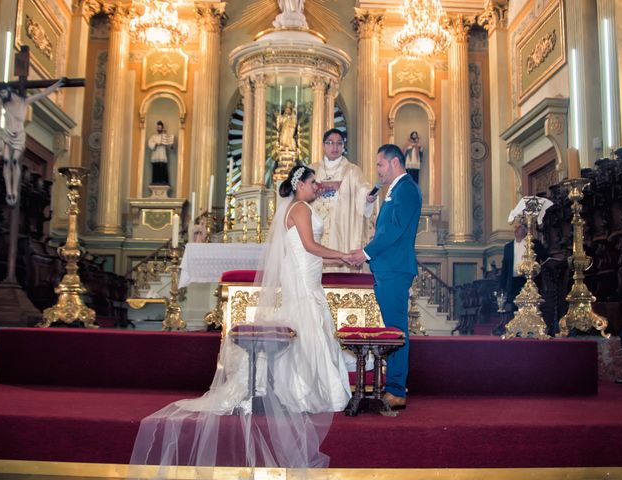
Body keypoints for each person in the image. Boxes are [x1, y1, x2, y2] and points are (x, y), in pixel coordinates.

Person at [130, 165, 352, 471]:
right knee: (307, 323)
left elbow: (310, 248)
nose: (316, 187)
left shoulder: (299, 205)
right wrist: (343, 255)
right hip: (303, 275)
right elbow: (311, 246)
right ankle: (304, 391)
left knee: (309, 324)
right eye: (313, 182)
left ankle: (303, 387)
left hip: (308, 274)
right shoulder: (300, 209)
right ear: (300, 185)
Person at [349, 144, 422, 410]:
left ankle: (396, 389)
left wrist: (366, 253)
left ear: (394, 163)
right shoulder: (395, 190)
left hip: (394, 269)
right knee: (392, 330)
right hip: (387, 268)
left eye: (380, 164)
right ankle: (393, 384)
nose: (378, 170)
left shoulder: (407, 189)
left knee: (396, 331)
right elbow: (386, 231)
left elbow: (393, 230)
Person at [0, 79, 64, 206]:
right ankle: (9, 191)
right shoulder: (4, 103)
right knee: (6, 161)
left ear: (9, 90)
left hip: (19, 136)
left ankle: (14, 191)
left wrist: (55, 85)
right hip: (7, 134)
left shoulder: (24, 101)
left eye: (4, 93)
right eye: (1, 94)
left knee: (15, 161)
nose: (3, 96)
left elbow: (42, 94)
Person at [311, 128, 375, 272]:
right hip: (316, 227)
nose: (335, 147)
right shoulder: (312, 170)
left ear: (343, 146)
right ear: (323, 145)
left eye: (339, 143)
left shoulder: (353, 171)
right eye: (330, 143)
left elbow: (363, 190)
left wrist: (368, 198)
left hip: (341, 229)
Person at [498, 221, 549, 311]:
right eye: (515, 227)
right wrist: (502, 287)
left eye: (519, 227)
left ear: (526, 230)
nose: (516, 229)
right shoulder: (508, 247)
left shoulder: (534, 244)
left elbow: (545, 257)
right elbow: (505, 269)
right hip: (514, 282)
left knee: (531, 309)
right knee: (516, 310)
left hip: (530, 281)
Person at [147, 120, 174, 185]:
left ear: (162, 128)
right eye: (158, 127)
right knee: (156, 169)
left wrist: (171, 145)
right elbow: (150, 143)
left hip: (162, 155)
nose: (159, 129)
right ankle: (155, 181)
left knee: (163, 168)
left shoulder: (165, 136)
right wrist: (156, 144)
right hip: (155, 156)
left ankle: (163, 181)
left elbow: (169, 143)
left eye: (160, 127)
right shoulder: (153, 137)